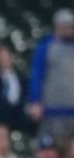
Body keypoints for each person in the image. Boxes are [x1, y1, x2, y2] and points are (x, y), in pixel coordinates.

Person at [28, 8, 74, 139]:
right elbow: (37, 75)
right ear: (57, 26)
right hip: (52, 110)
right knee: (52, 151)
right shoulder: (45, 48)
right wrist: (36, 101)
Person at [0, 45, 30, 132]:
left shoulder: (23, 80)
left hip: (20, 120)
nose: (3, 59)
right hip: (0, 121)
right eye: (1, 56)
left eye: (5, 55)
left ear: (12, 57)